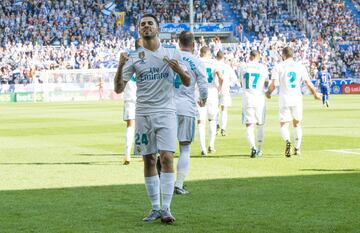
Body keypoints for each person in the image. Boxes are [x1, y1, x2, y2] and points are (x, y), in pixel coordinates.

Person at [114, 14, 190, 224]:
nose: (146, 26)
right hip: (143, 113)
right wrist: (120, 66)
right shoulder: (134, 56)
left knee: (166, 157)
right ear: (139, 30)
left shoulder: (171, 52)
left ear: (158, 28)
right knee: (148, 159)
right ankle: (155, 208)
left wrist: (178, 70)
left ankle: (166, 208)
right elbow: (119, 88)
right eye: (143, 24)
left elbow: (187, 81)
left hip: (166, 112)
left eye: (150, 24)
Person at [266, 47, 321, 157]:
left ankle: (287, 141)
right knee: (297, 123)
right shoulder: (300, 66)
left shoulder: (279, 66)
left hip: (284, 98)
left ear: (283, 55)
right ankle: (297, 148)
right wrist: (315, 94)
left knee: (284, 124)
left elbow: (275, 84)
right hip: (297, 98)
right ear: (293, 55)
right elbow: (307, 82)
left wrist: (268, 93)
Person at [174, 31, 208, 195]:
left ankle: (162, 180)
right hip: (186, 107)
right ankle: (178, 184)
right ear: (193, 45)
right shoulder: (196, 61)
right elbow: (203, 82)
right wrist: (203, 99)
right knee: (185, 149)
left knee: (165, 149)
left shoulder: (172, 58)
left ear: (178, 43)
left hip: (167, 107)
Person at [239, 50, 269, 158]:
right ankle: (259, 149)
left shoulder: (243, 67)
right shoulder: (263, 67)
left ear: (250, 56)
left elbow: (241, 83)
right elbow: (266, 83)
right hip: (259, 98)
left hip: (247, 98)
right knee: (260, 124)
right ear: (258, 57)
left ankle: (253, 147)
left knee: (249, 125)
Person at [197, 46, 223, 155]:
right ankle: (211, 145)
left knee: (201, 122)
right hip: (212, 92)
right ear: (208, 53)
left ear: (200, 53)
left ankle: (203, 148)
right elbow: (221, 78)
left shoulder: (196, 61)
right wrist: (219, 88)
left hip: (199, 92)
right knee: (212, 120)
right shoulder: (214, 62)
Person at [121, 38, 142, 165]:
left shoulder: (127, 60)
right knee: (144, 127)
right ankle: (143, 154)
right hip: (144, 98)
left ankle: (127, 154)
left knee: (130, 125)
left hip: (130, 97)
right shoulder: (148, 60)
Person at [216, 51, 238, 137]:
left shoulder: (214, 64)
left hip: (216, 89)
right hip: (225, 89)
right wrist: (229, 84)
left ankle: (216, 126)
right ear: (223, 57)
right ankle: (223, 128)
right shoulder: (227, 67)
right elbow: (234, 79)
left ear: (216, 57)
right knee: (224, 109)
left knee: (216, 109)